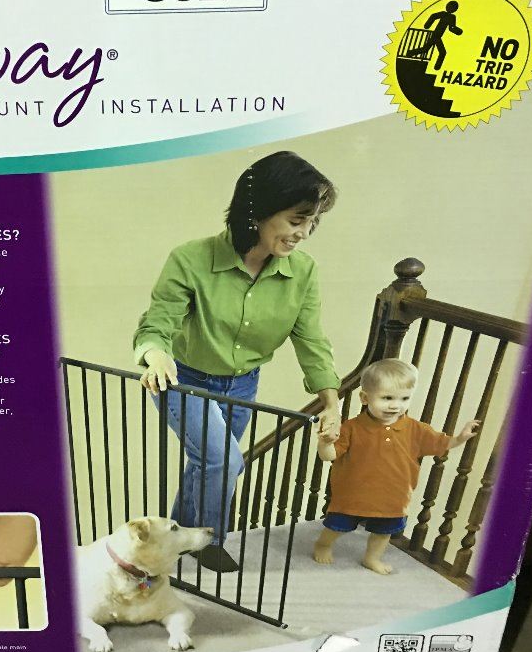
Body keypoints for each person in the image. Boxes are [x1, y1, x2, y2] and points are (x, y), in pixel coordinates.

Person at [134, 150, 341, 573]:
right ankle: (210, 542)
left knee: (207, 465)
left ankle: (171, 540)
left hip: (243, 384)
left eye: (312, 222)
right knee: (223, 462)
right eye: (296, 220)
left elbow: (311, 339)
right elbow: (158, 322)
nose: (304, 233)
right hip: (182, 379)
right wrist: (155, 355)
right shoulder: (191, 259)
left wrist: (331, 401)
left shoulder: (303, 272)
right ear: (258, 211)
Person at [313, 358, 480, 574]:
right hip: (352, 495)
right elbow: (329, 456)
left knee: (383, 532)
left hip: (393, 497)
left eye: (404, 398)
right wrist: (325, 443)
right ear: (365, 398)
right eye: (387, 398)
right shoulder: (352, 428)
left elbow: (442, 443)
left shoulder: (416, 429)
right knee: (337, 526)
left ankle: (372, 558)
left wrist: (460, 438)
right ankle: (323, 544)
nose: (395, 405)